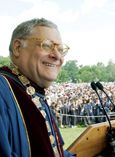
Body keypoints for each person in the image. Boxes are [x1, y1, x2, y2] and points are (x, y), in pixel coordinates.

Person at [0, 18, 76, 157]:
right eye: (46, 45)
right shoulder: (2, 89)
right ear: (17, 47)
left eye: (60, 49)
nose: (57, 56)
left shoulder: (33, 92)